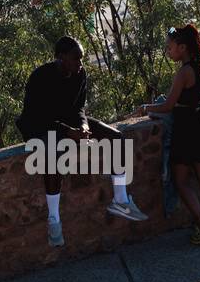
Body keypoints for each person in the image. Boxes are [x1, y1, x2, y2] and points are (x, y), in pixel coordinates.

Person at [18, 36, 148, 248]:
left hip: (69, 123)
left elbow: (79, 108)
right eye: (75, 58)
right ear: (61, 58)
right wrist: (68, 132)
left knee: (116, 138)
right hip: (38, 127)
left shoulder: (80, 75)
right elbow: (36, 117)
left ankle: (121, 199)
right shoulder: (40, 77)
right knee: (52, 155)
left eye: (81, 59)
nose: (80, 64)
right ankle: (54, 220)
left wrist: (84, 127)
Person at [143, 25, 200, 246]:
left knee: (180, 182)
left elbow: (168, 105)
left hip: (186, 130)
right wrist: (197, 102)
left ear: (183, 47)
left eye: (170, 47)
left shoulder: (184, 72)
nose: (168, 51)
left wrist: (145, 108)